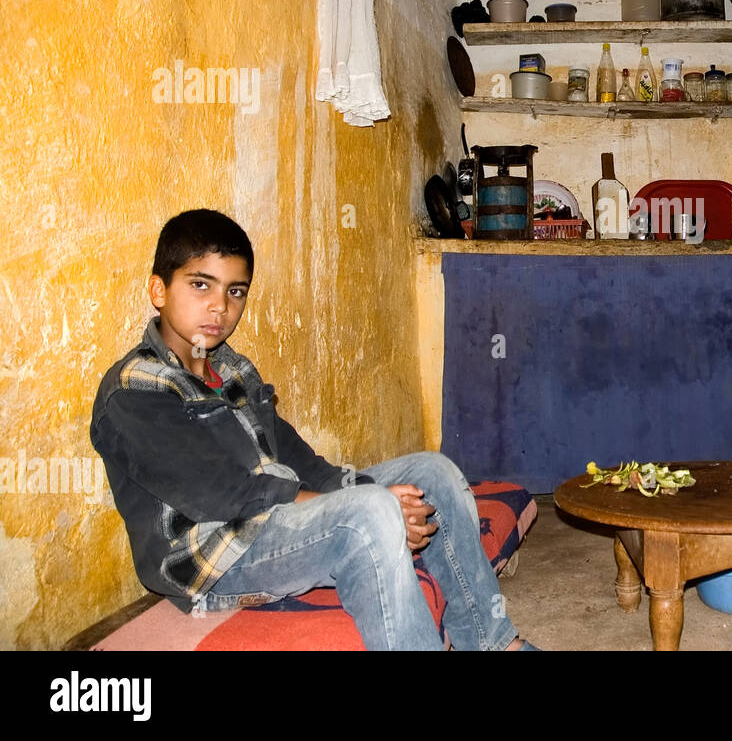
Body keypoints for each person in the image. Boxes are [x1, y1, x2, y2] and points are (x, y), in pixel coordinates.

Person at [90, 209, 538, 650]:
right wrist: (372, 504)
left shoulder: (232, 371)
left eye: (236, 291)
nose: (220, 307)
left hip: (274, 519)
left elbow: (301, 462)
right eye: (200, 284)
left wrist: (369, 490)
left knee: (431, 474)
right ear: (159, 290)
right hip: (214, 559)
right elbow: (220, 494)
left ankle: (493, 642)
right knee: (370, 514)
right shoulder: (136, 389)